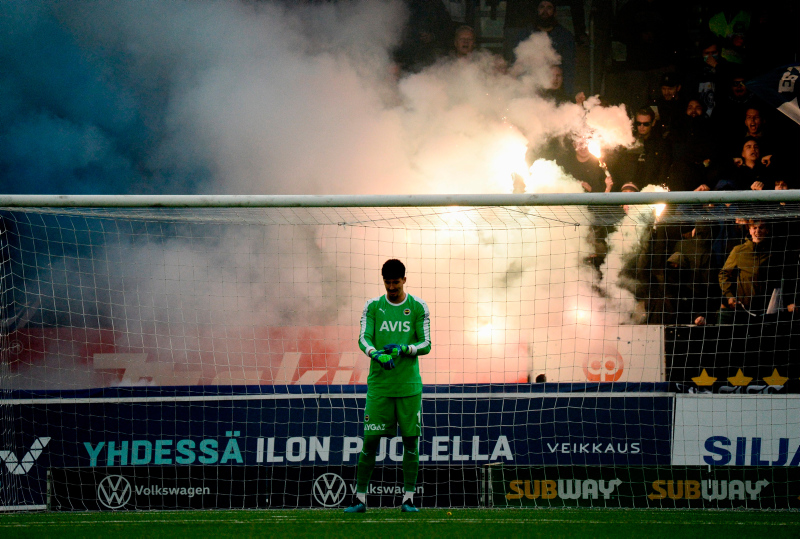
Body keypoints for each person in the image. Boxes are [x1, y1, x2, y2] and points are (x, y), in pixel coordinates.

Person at [345, 259, 431, 514]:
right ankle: (360, 499)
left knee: (411, 443)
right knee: (370, 442)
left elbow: (426, 343)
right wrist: (375, 354)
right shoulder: (373, 306)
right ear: (383, 280)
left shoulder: (417, 307)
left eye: (396, 282)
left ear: (404, 279)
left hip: (408, 387)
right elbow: (364, 338)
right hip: (380, 387)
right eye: (387, 282)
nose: (392, 287)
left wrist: (405, 348)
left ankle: (408, 499)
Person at [716, 220, 797, 325]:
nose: (757, 231)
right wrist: (729, 296)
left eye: (761, 228)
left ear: (767, 230)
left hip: (768, 311)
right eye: (754, 228)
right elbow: (724, 274)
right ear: (749, 230)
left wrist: (788, 302)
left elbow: (786, 277)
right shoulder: (739, 251)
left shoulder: (774, 253)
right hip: (744, 310)